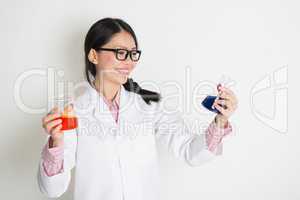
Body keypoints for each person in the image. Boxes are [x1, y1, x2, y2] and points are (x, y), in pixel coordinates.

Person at [37, 17, 238, 200]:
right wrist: (56, 141)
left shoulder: (149, 105)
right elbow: (52, 190)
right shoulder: (72, 112)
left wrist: (220, 119)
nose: (129, 62)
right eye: (120, 53)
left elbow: (191, 153)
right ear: (93, 55)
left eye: (133, 54)